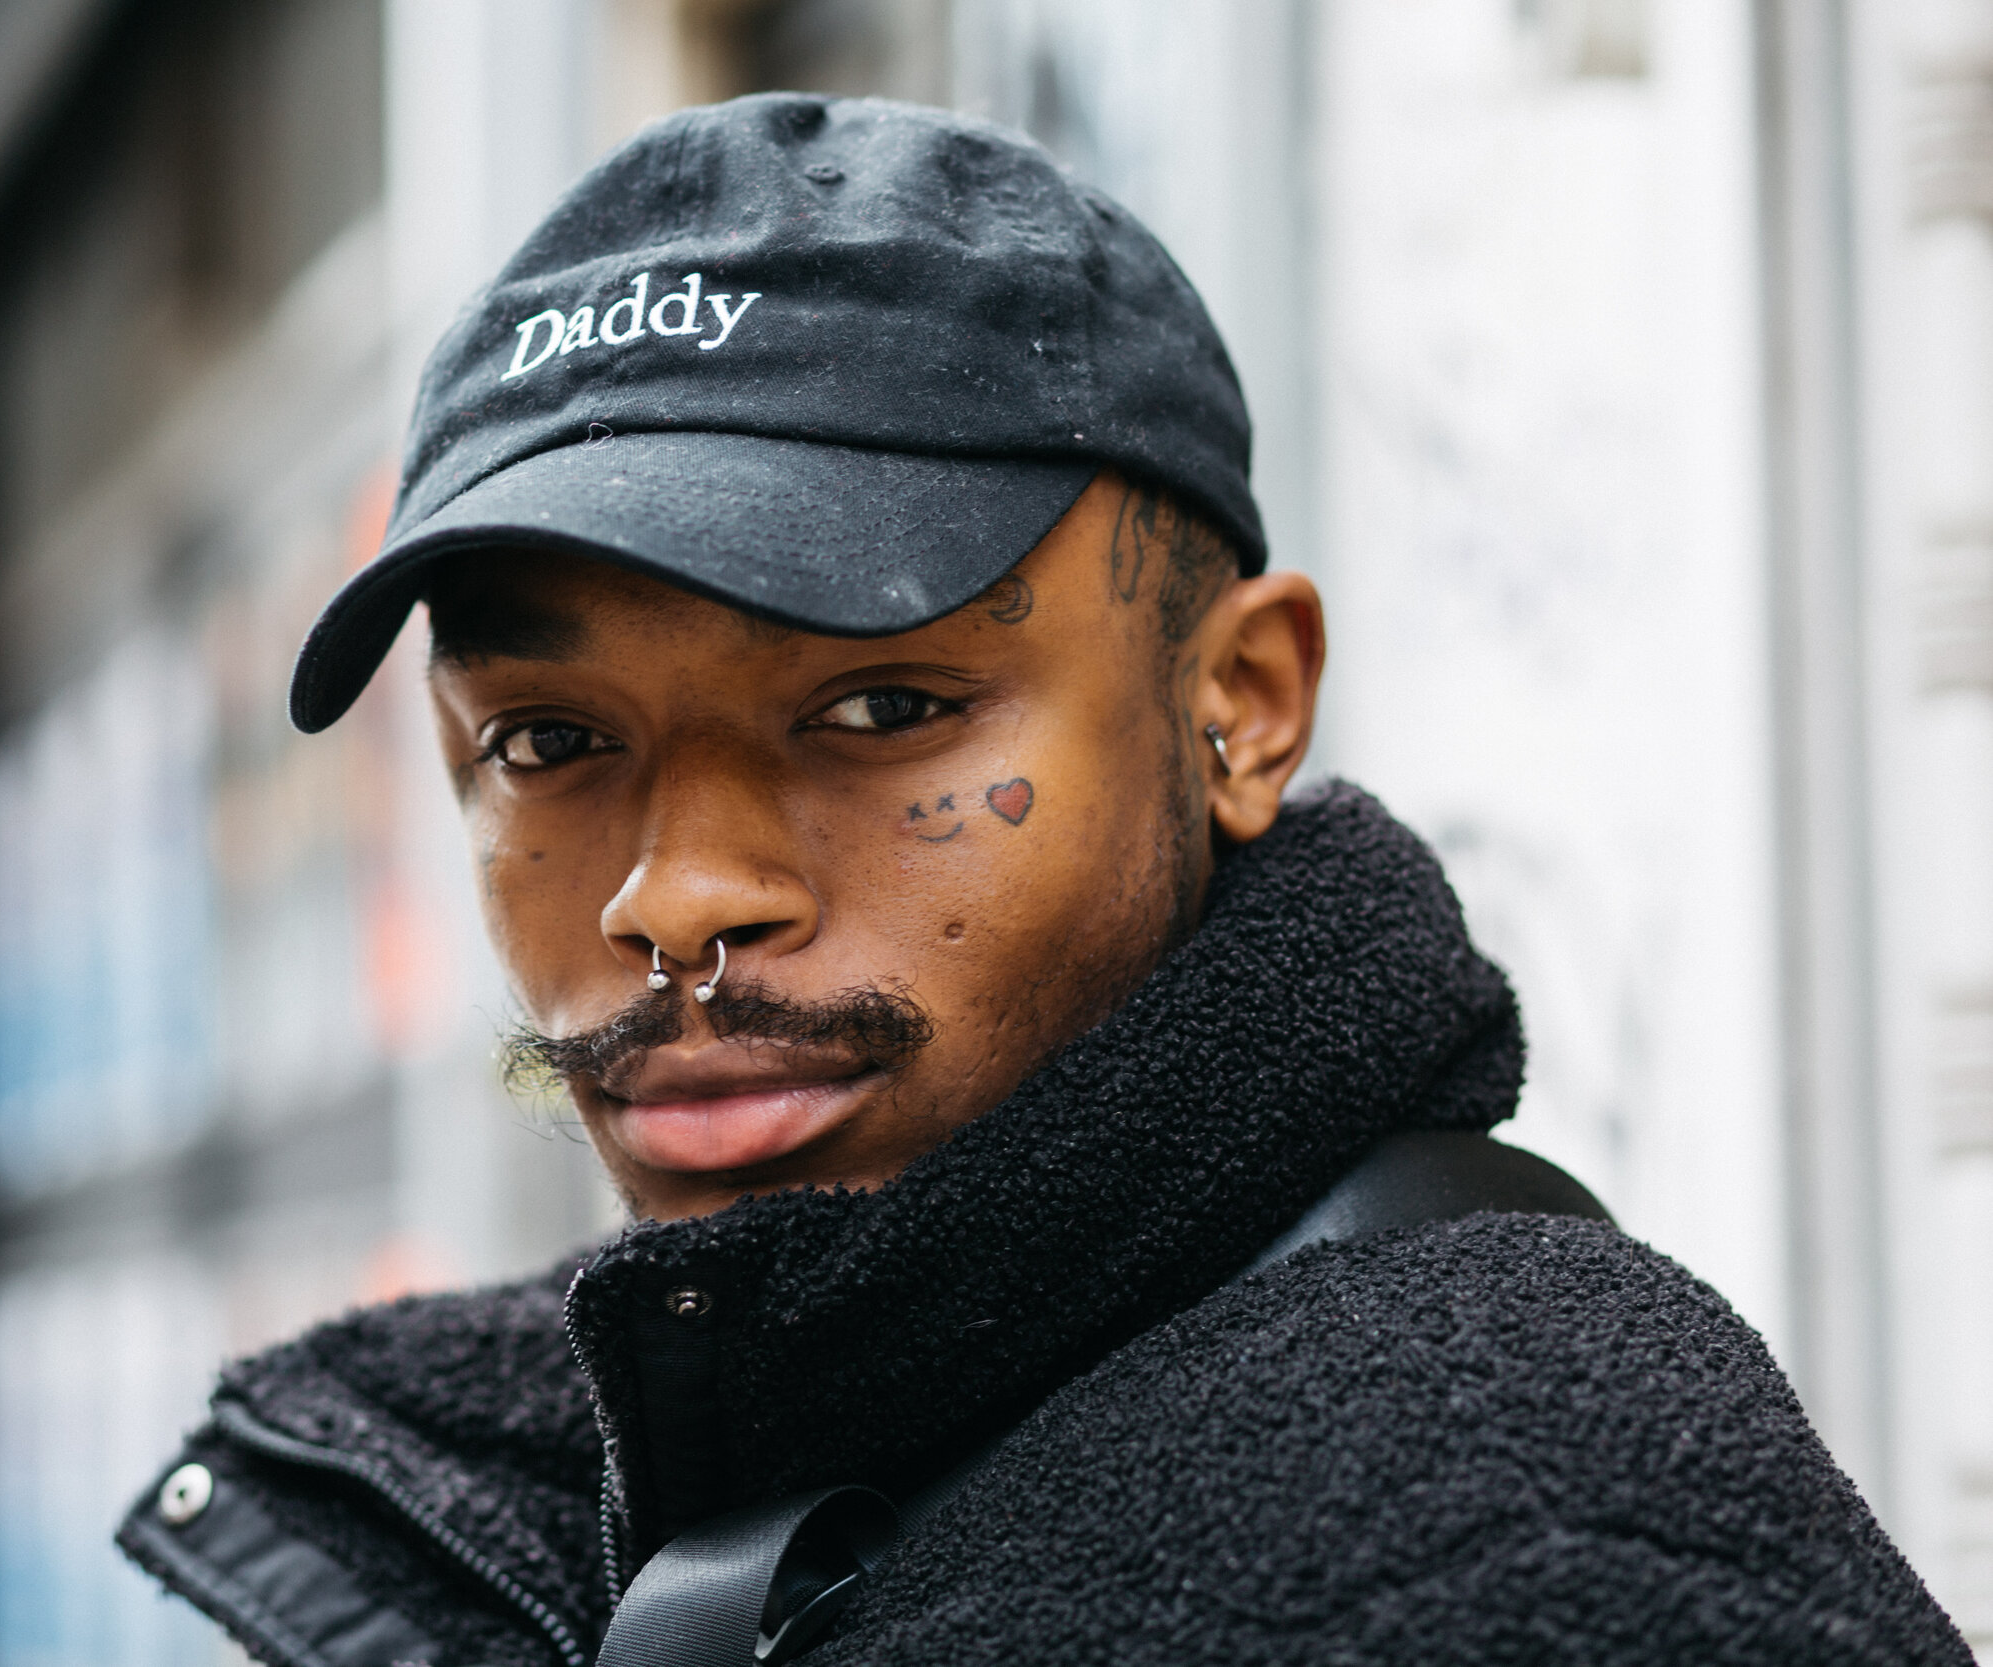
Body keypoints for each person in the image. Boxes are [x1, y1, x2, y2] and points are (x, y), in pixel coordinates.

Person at [119, 94, 1968, 1666]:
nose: (674, 899)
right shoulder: (625, 1448)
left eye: (880, 704)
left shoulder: (1534, 1558)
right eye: (546, 743)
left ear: (1239, 704)